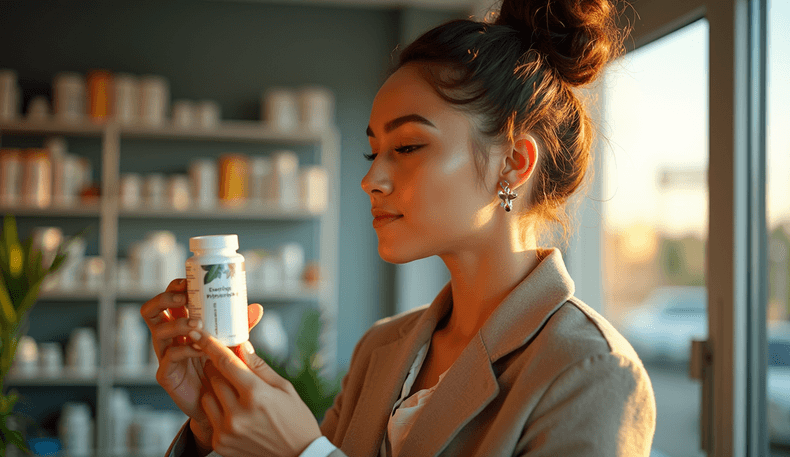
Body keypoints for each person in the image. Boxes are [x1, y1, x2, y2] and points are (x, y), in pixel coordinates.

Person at [141, 0, 656, 455]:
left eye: (407, 147)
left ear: (513, 165)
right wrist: (215, 423)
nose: (370, 180)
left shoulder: (590, 372)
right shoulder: (381, 350)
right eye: (373, 152)